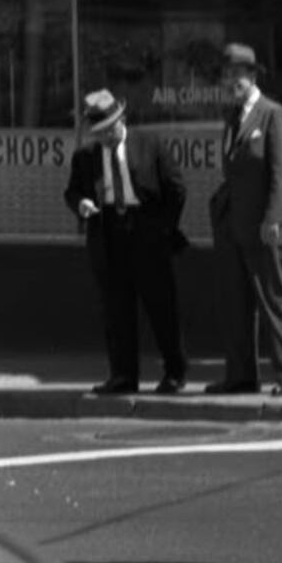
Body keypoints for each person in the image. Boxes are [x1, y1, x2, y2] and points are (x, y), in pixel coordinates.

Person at [64, 86, 188, 395]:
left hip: (147, 233)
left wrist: (164, 228)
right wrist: (81, 205)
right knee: (117, 310)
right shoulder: (85, 157)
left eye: (109, 130)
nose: (105, 137)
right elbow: (73, 191)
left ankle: (174, 372)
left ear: (122, 120)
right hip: (109, 235)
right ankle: (123, 375)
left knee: (161, 307)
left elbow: (176, 188)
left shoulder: (150, 144)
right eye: (99, 133)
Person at [208, 43, 282, 396]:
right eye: (225, 75)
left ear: (252, 77)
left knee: (274, 301)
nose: (230, 81)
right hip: (232, 227)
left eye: (237, 74)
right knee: (234, 303)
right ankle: (240, 375)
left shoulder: (272, 115)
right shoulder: (232, 118)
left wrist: (273, 219)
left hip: (265, 228)